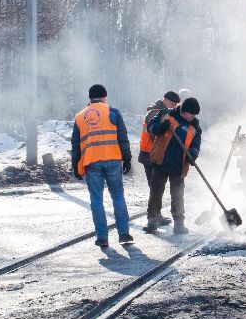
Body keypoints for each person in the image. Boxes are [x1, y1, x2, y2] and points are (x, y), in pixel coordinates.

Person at [71, 83, 134, 248]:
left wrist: (75, 165)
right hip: (113, 159)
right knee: (118, 197)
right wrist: (127, 159)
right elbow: (122, 137)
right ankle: (124, 234)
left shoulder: (80, 116)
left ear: (90, 98)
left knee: (96, 200)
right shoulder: (112, 112)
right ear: (104, 97)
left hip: (91, 162)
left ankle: (102, 237)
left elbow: (75, 144)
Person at [146, 96, 203, 235]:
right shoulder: (167, 114)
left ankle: (179, 224)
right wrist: (160, 128)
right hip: (160, 161)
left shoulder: (195, 127)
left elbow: (196, 145)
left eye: (194, 114)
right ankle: (152, 220)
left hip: (179, 167)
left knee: (178, 196)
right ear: (183, 110)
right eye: (190, 113)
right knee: (156, 193)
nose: (192, 116)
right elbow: (150, 127)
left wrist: (193, 154)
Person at [140, 90, 182, 231]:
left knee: (156, 187)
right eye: (171, 104)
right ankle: (153, 217)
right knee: (155, 188)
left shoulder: (164, 111)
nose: (173, 107)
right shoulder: (155, 112)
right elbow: (157, 134)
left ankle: (157, 216)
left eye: (176, 105)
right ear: (164, 100)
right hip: (150, 153)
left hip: (155, 153)